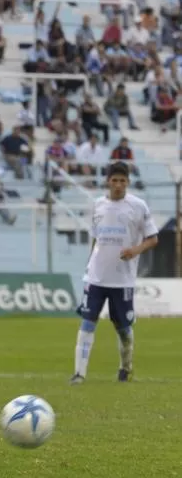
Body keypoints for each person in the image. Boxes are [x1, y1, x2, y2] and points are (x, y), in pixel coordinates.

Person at [71, 162, 158, 385]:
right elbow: (95, 239)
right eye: (114, 180)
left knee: (123, 329)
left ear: (128, 182)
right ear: (107, 181)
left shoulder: (138, 206)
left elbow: (153, 238)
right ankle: (79, 374)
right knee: (87, 323)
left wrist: (135, 250)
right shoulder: (97, 205)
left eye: (122, 180)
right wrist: (90, 264)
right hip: (96, 277)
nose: (118, 185)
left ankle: (125, 368)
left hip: (122, 280)